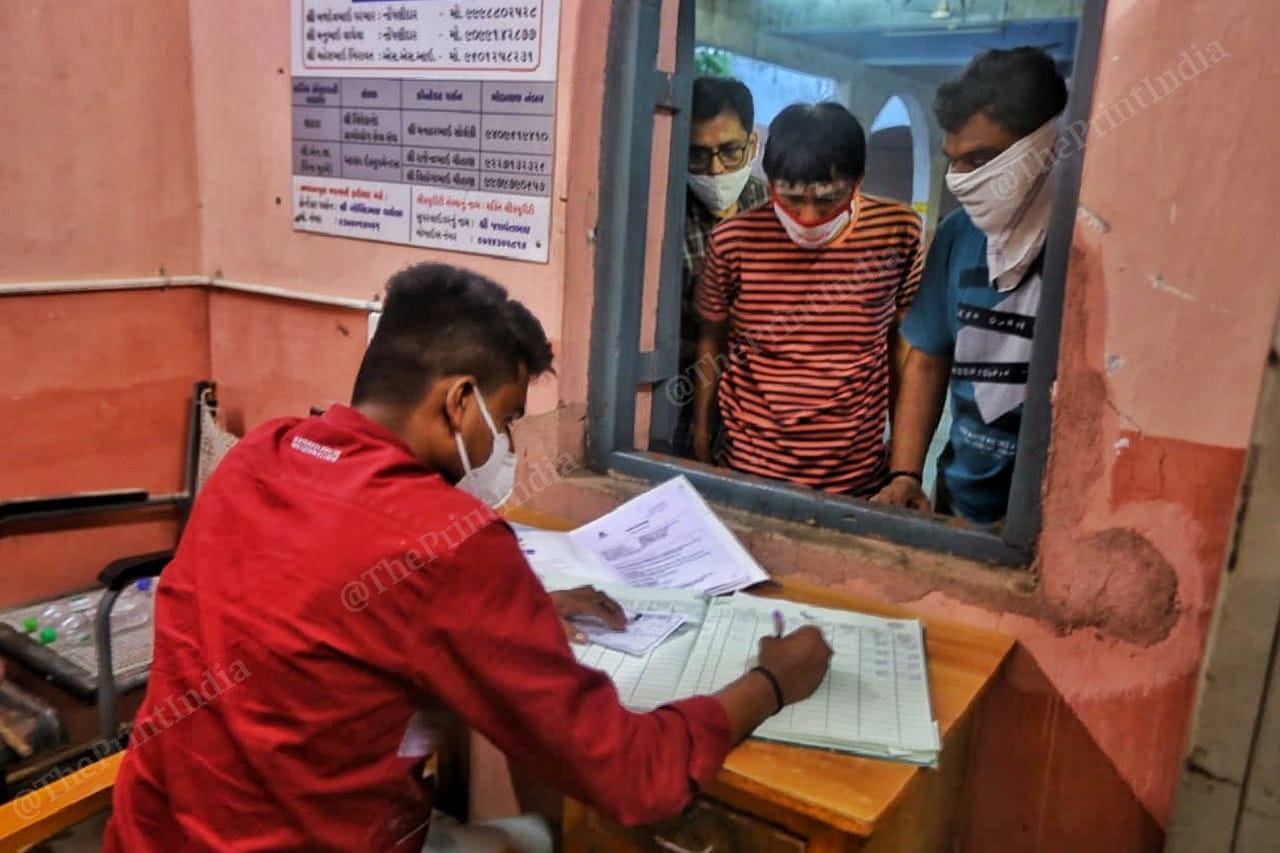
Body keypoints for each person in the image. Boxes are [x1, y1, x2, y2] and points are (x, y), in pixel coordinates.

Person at [103, 263, 831, 852]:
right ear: (458, 401)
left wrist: (519, 612)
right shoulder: (448, 542)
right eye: (504, 420)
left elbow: (318, 605)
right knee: (541, 839)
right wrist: (772, 681)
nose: (502, 447)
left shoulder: (263, 453)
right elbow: (631, 775)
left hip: (151, 831)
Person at [872, 47, 1068, 525]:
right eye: (954, 162)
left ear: (1044, 144)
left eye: (981, 160)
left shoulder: (1082, 245)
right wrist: (905, 474)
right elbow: (927, 359)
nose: (961, 180)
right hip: (958, 497)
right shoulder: (958, 235)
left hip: (1050, 518)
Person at [692, 102, 923, 497]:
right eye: (792, 199)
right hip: (751, 469)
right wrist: (701, 435)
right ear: (770, 182)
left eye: (828, 200)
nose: (809, 217)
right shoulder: (733, 241)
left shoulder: (897, 232)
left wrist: (905, 465)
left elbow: (902, 343)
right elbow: (712, 340)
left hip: (856, 478)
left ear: (858, 181)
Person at [669, 76, 770, 457]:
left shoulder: (773, 211)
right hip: (678, 396)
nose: (714, 170)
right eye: (697, 155)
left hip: (763, 404)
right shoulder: (665, 214)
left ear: (752, 145)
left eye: (730, 151)